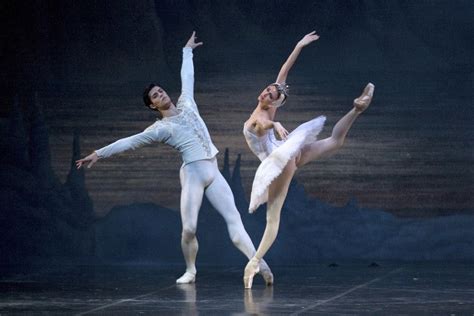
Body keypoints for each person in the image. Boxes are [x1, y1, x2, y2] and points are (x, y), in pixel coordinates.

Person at [76, 32, 273, 285]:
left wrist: (186, 51)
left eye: (160, 91)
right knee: (189, 229)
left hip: (213, 171)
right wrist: (98, 154)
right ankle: (191, 269)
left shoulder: (187, 103)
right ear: (152, 106)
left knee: (235, 224)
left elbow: (187, 77)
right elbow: (129, 142)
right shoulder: (160, 128)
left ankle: (261, 265)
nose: (161, 95)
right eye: (155, 96)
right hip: (192, 174)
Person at [242, 31, 374, 288]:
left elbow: (262, 123)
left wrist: (275, 123)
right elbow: (281, 76)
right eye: (267, 90)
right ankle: (356, 110)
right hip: (288, 152)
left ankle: (254, 262)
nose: (266, 93)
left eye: (271, 94)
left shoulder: (265, 113)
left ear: (275, 101)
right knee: (335, 142)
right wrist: (298, 45)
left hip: (280, 160)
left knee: (273, 217)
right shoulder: (265, 112)